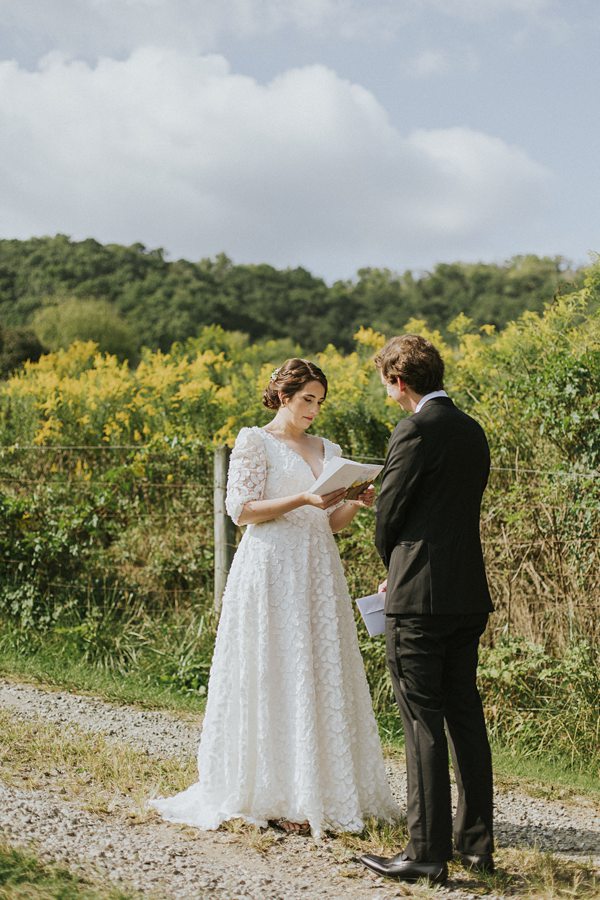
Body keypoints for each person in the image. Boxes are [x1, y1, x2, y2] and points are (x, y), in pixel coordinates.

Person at [151, 358, 399, 838]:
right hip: (269, 567)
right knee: (273, 667)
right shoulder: (255, 440)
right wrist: (301, 499)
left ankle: (317, 790)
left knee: (315, 668)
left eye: (320, 402)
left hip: (316, 568)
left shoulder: (329, 448)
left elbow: (328, 522)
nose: (314, 410)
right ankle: (273, 792)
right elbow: (241, 511)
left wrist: (352, 500)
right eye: (308, 399)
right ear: (283, 396)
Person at [360, 335, 494, 886]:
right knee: (465, 716)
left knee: (421, 722)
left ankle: (425, 853)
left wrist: (393, 563)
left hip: (419, 597)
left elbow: (391, 515)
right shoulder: (471, 429)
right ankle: (476, 848)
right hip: (468, 593)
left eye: (385, 383)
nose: (387, 392)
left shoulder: (413, 428)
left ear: (398, 381)